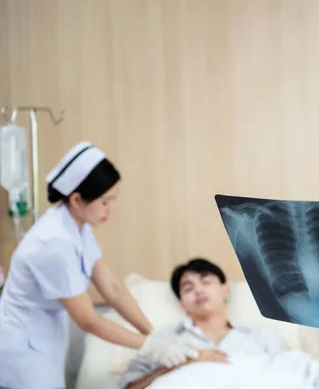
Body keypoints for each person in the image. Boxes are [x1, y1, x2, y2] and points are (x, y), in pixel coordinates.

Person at [0, 142, 202, 389]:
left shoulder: (77, 227)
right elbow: (88, 320)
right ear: (76, 199)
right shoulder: (51, 243)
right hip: (21, 355)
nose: (111, 210)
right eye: (105, 202)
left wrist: (153, 333)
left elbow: (112, 288)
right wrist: (148, 346)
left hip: (41, 344)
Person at [118, 258, 288, 389]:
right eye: (188, 288)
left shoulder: (262, 334)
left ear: (225, 290)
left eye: (205, 282)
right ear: (182, 304)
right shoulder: (164, 340)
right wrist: (182, 363)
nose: (198, 290)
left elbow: (292, 377)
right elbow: (130, 387)